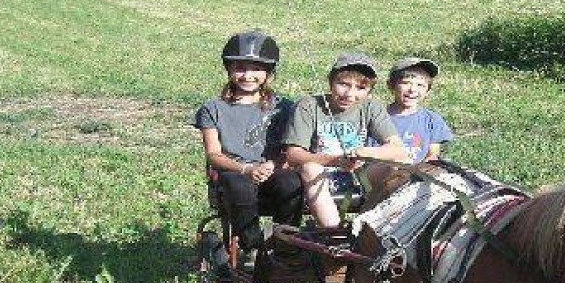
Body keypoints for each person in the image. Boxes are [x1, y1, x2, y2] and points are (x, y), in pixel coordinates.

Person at [193, 30, 302, 253]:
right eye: (240, 68)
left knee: (291, 182)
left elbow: (291, 147)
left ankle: (285, 243)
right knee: (239, 185)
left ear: (269, 72)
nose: (248, 75)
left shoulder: (284, 106)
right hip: (235, 172)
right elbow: (213, 155)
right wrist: (246, 168)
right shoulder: (213, 109)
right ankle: (252, 247)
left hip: (273, 169)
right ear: (229, 69)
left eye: (256, 69)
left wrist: (273, 165)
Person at [282, 53, 408, 229]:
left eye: (360, 88)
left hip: (359, 175)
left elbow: (398, 149)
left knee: (398, 165)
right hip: (320, 175)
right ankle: (334, 232)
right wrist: (334, 161)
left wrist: (366, 153)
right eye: (343, 84)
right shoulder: (309, 106)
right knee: (310, 168)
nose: (350, 94)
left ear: (369, 91)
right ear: (331, 82)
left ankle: (374, 227)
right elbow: (293, 155)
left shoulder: (371, 108)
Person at [385, 57, 454, 163]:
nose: (413, 89)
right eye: (406, 82)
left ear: (427, 91)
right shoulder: (377, 116)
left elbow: (432, 155)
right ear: (391, 85)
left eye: (420, 85)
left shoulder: (432, 120)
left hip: (418, 175)